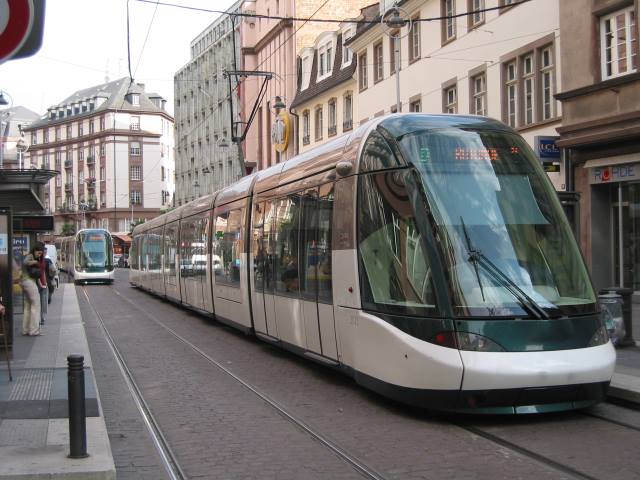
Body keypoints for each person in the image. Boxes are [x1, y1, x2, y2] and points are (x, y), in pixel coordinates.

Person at [21, 243, 44, 336]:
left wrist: (40, 284)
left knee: (28, 306)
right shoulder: (30, 256)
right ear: (34, 251)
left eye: (41, 253)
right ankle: (34, 330)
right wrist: (35, 262)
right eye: (38, 253)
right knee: (36, 304)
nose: (40, 255)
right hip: (29, 282)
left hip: (24, 281)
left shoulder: (34, 256)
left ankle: (25, 329)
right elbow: (25, 262)